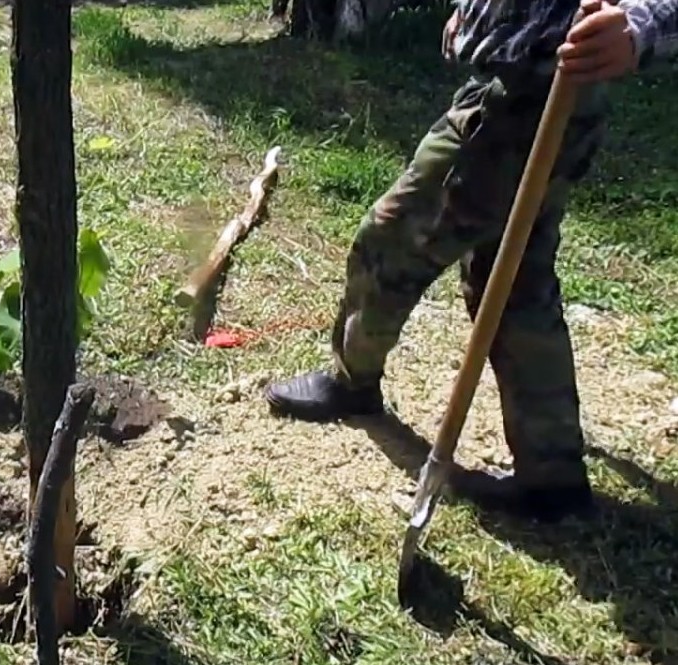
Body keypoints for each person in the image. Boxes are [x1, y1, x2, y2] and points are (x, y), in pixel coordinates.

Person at [263, 0, 678, 523]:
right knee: (514, 276)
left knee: (393, 240)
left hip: (532, 98)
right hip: (532, 86)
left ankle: (353, 381)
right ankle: (550, 474)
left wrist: (642, 26)